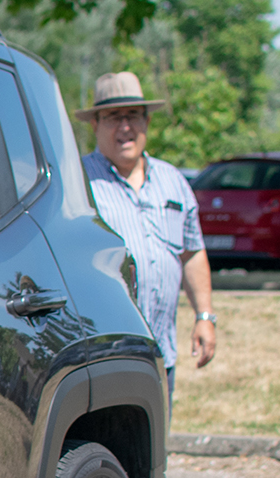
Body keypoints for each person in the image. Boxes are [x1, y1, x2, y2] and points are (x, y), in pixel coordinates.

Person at [74, 71, 217, 395]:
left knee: (154, 444)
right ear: (95, 124)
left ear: (147, 122)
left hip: (159, 352)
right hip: (101, 356)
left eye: (133, 116)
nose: (125, 126)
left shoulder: (173, 180)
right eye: (113, 117)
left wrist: (204, 316)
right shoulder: (79, 182)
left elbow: (192, 252)